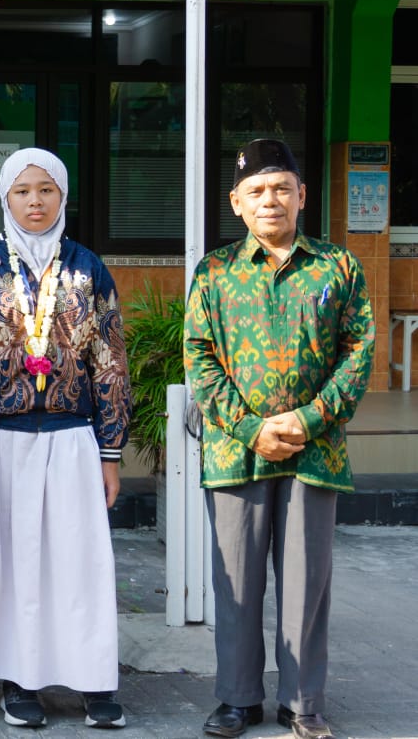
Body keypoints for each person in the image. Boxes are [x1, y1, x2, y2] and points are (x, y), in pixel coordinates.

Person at [184, 139, 375, 739]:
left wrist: (310, 419)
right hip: (235, 452)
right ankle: (238, 700)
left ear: (302, 196)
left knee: (305, 582)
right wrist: (251, 428)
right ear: (237, 203)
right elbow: (199, 356)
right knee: (236, 582)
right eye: (257, 191)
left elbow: (359, 350)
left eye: (282, 188)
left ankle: (303, 702)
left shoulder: (337, 267)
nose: (271, 200)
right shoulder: (214, 273)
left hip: (314, 452)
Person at [0, 147, 130, 729]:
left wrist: (111, 450)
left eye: (46, 190)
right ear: (5, 199)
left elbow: (111, 361)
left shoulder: (86, 269)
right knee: (11, 563)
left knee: (78, 563)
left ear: (63, 196)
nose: (35, 201)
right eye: (23, 191)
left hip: (72, 437)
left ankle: (93, 680)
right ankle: (18, 681)